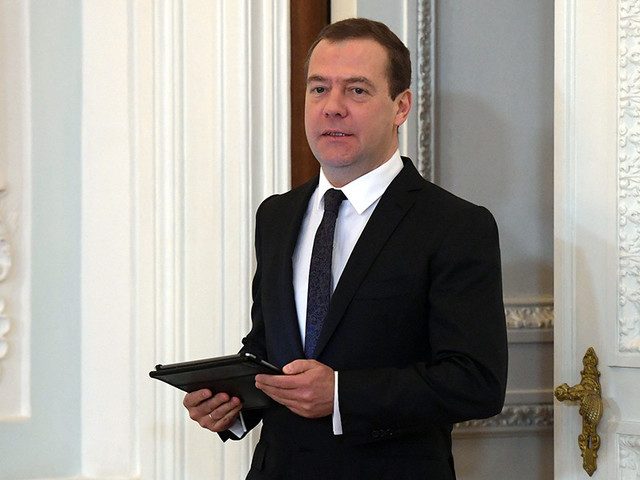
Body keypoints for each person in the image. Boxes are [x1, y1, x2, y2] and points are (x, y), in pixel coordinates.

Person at [183, 17, 508, 480]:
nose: (332, 107)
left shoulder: (455, 225)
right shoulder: (276, 215)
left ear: (400, 107)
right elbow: (270, 347)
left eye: (356, 90)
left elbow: (476, 382)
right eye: (319, 89)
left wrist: (341, 394)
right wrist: (231, 403)